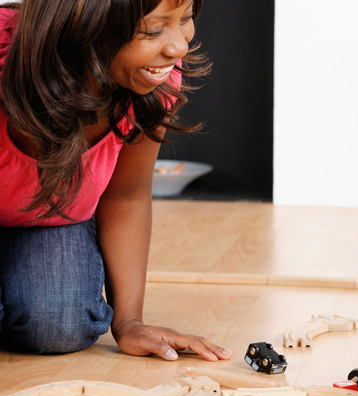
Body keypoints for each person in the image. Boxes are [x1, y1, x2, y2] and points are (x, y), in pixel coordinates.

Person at [0, 0, 231, 362]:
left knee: (59, 323)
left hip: (48, 219)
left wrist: (129, 321)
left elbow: (127, 197)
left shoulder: (152, 81)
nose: (178, 46)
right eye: (153, 30)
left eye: (184, 19)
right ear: (81, 27)